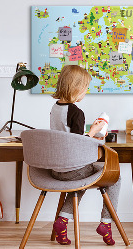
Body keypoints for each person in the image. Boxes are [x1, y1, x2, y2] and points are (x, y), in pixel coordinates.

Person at [50, 65, 120, 246]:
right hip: (73, 169)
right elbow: (78, 144)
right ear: (76, 88)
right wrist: (95, 131)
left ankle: (62, 221)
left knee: (80, 180)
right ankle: (106, 223)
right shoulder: (76, 112)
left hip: (56, 169)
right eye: (85, 88)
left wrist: (90, 133)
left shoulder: (55, 108)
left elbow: (67, 137)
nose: (86, 92)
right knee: (115, 177)